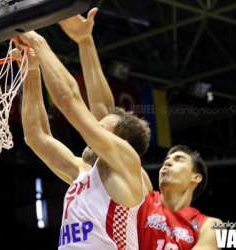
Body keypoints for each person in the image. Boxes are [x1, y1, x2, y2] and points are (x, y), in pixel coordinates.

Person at [57, 8, 223, 249]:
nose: (167, 162)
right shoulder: (142, 191)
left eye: (178, 160)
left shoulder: (208, 224)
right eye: (168, 158)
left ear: (195, 177)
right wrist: (85, 43)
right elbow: (105, 116)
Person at [16, 29, 151, 250]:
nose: (91, 132)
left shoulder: (127, 166)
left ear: (121, 144)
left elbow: (68, 100)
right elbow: (36, 136)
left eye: (101, 129)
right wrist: (31, 70)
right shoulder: (82, 172)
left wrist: (37, 40)